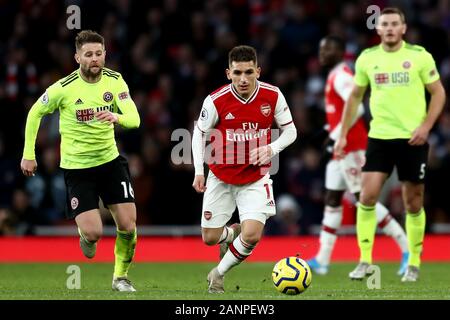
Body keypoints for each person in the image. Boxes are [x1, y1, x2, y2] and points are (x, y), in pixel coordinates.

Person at [21, 30, 140, 291]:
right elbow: (34, 113)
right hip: (78, 168)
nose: (95, 59)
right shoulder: (62, 88)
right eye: (88, 54)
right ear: (77, 57)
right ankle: (85, 234)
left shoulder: (115, 81)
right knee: (94, 234)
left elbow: (134, 119)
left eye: (99, 54)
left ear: (105, 55)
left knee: (128, 225)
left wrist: (116, 117)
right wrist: (28, 154)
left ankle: (120, 277)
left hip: (110, 162)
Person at [334, 8, 446, 282]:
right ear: (379, 29)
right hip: (380, 137)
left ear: (404, 28)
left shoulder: (419, 56)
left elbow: (439, 92)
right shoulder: (368, 59)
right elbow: (355, 97)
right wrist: (343, 133)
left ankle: (414, 262)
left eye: (395, 24)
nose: (391, 28)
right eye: (385, 24)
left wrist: (426, 127)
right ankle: (364, 261)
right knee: (367, 196)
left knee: (413, 203)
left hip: (412, 138)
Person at [192, 45, 297, 293]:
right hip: (221, 176)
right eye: (237, 73)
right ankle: (230, 234)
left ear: (258, 71)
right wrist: (199, 170)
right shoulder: (216, 100)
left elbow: (291, 132)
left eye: (249, 72)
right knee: (209, 238)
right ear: (228, 73)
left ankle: (218, 274)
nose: (243, 79)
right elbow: (199, 134)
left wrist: (271, 149)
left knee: (251, 236)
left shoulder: (273, 96)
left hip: (255, 177)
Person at [307, 35, 409, 276]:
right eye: (321, 48)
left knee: (366, 202)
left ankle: (406, 249)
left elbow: (359, 107)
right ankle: (322, 259)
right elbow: (342, 110)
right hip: (341, 152)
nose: (323, 52)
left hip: (352, 148)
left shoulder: (341, 76)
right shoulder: (334, 74)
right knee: (332, 200)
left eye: (328, 48)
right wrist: (326, 131)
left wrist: (335, 136)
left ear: (341, 52)